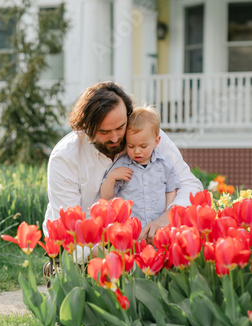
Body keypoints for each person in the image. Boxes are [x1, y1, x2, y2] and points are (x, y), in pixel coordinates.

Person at [43, 81, 203, 265]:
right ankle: (57, 269)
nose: (115, 138)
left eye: (120, 127)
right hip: (88, 246)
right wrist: (111, 252)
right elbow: (68, 225)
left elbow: (191, 186)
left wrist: (165, 219)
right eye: (104, 132)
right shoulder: (65, 157)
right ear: (86, 127)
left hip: (145, 238)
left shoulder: (145, 137)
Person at [100, 106, 181, 227]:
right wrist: (111, 178)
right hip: (130, 231)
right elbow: (106, 196)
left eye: (143, 146)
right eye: (131, 146)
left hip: (156, 228)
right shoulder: (122, 165)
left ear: (156, 142)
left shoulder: (164, 165)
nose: (137, 151)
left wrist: (166, 215)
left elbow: (170, 190)